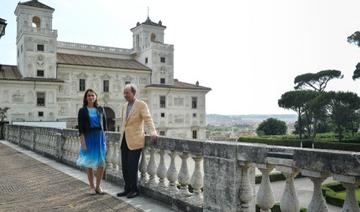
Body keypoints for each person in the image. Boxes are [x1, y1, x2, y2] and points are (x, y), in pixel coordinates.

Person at [117, 84, 157, 198]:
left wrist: (153, 131)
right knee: (124, 166)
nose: (125, 95)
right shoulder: (124, 105)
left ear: (134, 93)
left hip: (135, 140)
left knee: (132, 167)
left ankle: (134, 190)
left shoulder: (141, 104)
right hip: (124, 139)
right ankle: (127, 188)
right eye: (124, 93)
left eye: (127, 93)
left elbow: (148, 118)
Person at [76, 89, 107, 195]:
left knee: (101, 163)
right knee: (89, 164)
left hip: (99, 137)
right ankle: (91, 187)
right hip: (88, 137)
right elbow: (80, 128)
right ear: (86, 98)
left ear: (96, 97)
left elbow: (105, 126)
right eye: (88, 95)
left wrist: (105, 139)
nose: (91, 97)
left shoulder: (100, 109)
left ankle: (98, 186)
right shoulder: (82, 110)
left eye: (92, 95)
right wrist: (83, 142)